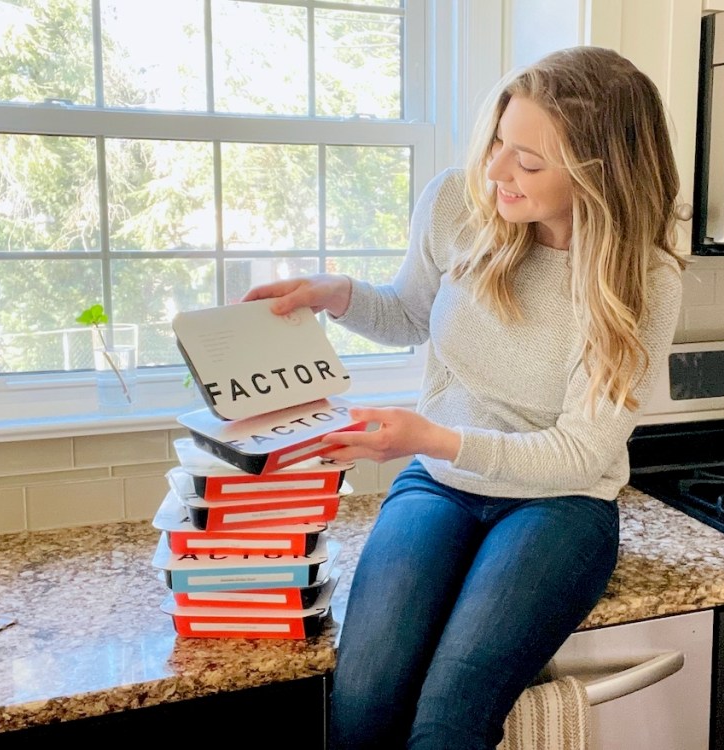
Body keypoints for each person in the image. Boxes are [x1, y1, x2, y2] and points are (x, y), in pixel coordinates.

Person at [243, 45, 686, 750]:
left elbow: (579, 454)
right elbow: (412, 314)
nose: (497, 171)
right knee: (361, 705)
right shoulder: (459, 202)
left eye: (530, 162)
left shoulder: (643, 281)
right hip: (439, 484)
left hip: (562, 507)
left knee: (449, 721)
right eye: (500, 143)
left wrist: (428, 438)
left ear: (602, 175)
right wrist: (337, 296)